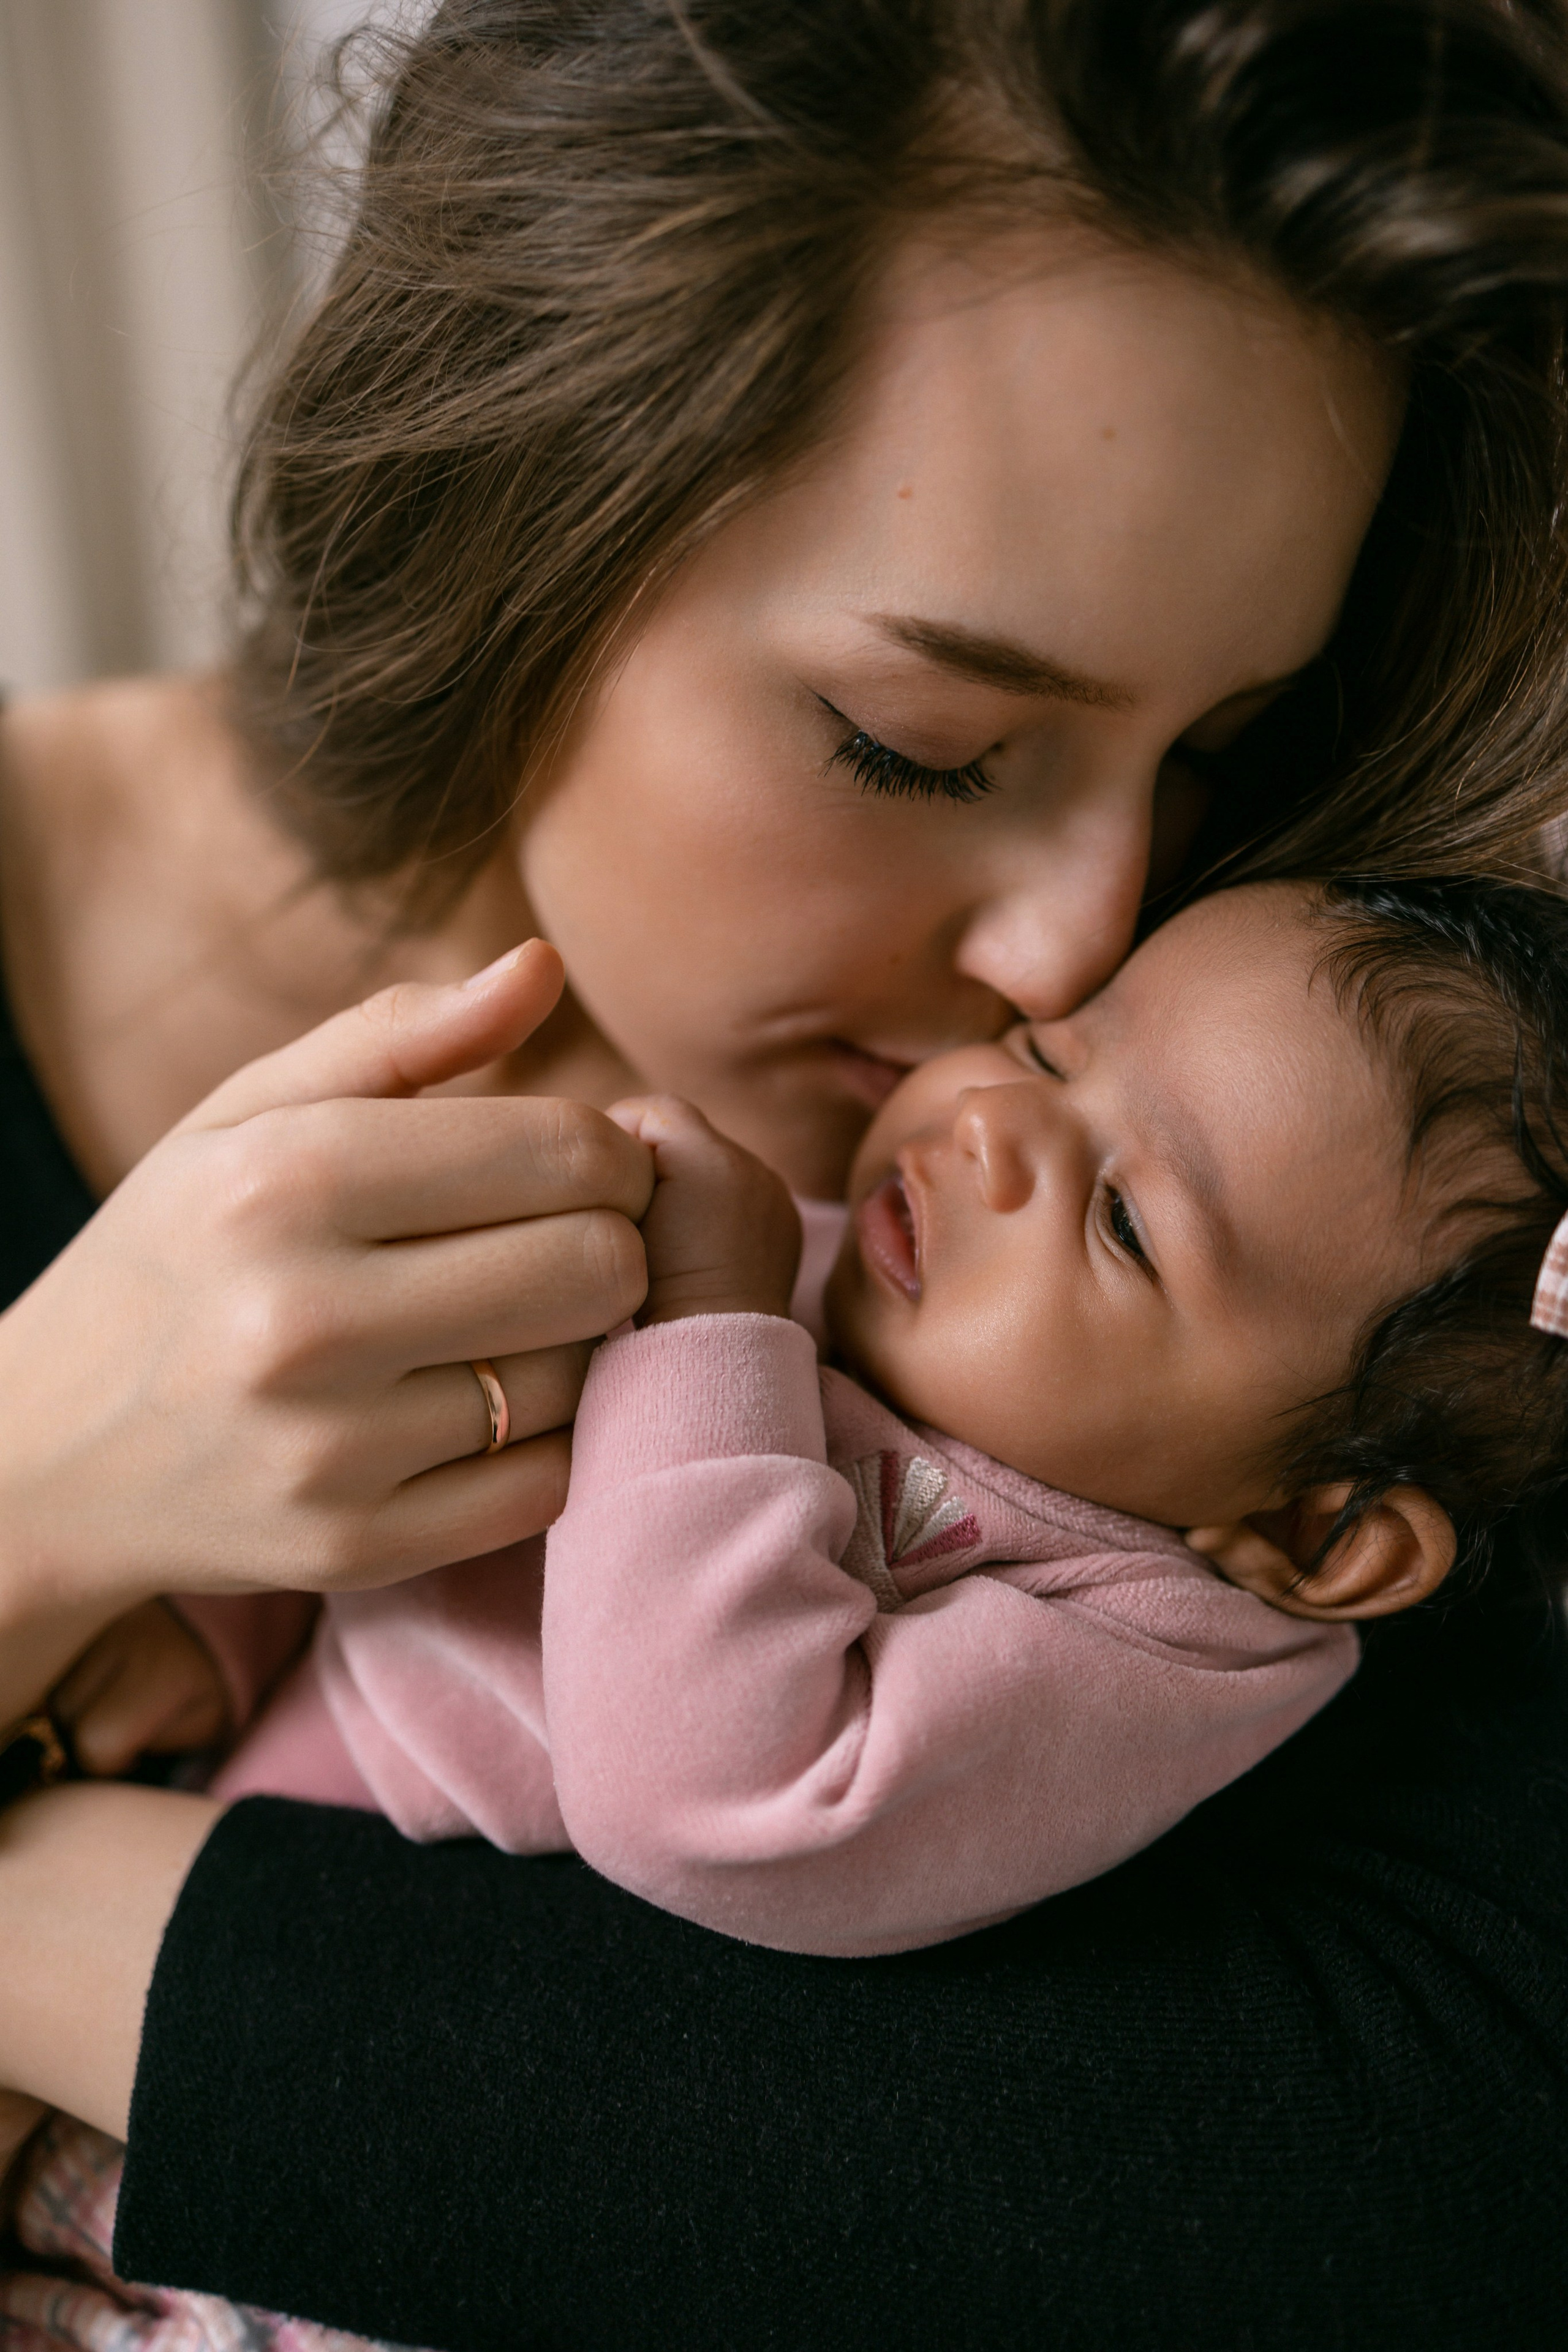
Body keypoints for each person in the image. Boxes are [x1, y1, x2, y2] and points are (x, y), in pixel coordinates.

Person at [2, 1, 1568, 2342]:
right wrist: (38, 1494)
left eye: (1227, 744)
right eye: (918, 741)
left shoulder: (1342, 1234)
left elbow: (1394, 2168)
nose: (1077, 932)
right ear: (530, 503)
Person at [48, 874, 1567, 1973]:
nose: (988, 1119)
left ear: (1321, 1531)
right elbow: (404, 1428)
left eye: (1121, 1221)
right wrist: (208, 1618)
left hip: (335, 1981)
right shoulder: (865, 1260)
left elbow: (711, 1799)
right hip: (213, 1753)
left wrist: (712, 1321)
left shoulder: (1136, 1641)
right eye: (1055, 1048)